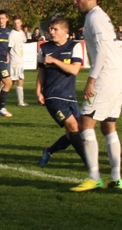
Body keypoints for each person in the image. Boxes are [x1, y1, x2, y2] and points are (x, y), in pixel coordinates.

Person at [71, 0, 122, 191]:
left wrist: (91, 79)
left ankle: (94, 176)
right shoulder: (99, 16)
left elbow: (102, 51)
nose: (75, 1)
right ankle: (116, 177)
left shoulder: (94, 18)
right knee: (108, 125)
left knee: (85, 122)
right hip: (118, 75)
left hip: (106, 76)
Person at [35, 16, 87, 168]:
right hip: (53, 96)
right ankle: (90, 164)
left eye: (55, 29)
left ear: (65, 31)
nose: (51, 32)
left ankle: (49, 151)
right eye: (50, 29)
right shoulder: (44, 48)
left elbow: (74, 70)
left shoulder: (74, 46)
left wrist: (54, 61)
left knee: (75, 132)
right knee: (73, 127)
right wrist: (38, 91)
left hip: (70, 96)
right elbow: (41, 73)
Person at [9, 16, 29, 107]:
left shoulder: (21, 33)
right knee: (15, 81)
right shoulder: (12, 34)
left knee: (14, 81)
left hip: (20, 59)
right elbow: (9, 47)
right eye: (15, 23)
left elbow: (24, 41)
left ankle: (21, 101)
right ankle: (20, 102)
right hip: (15, 60)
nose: (16, 25)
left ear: (21, 23)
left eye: (18, 23)